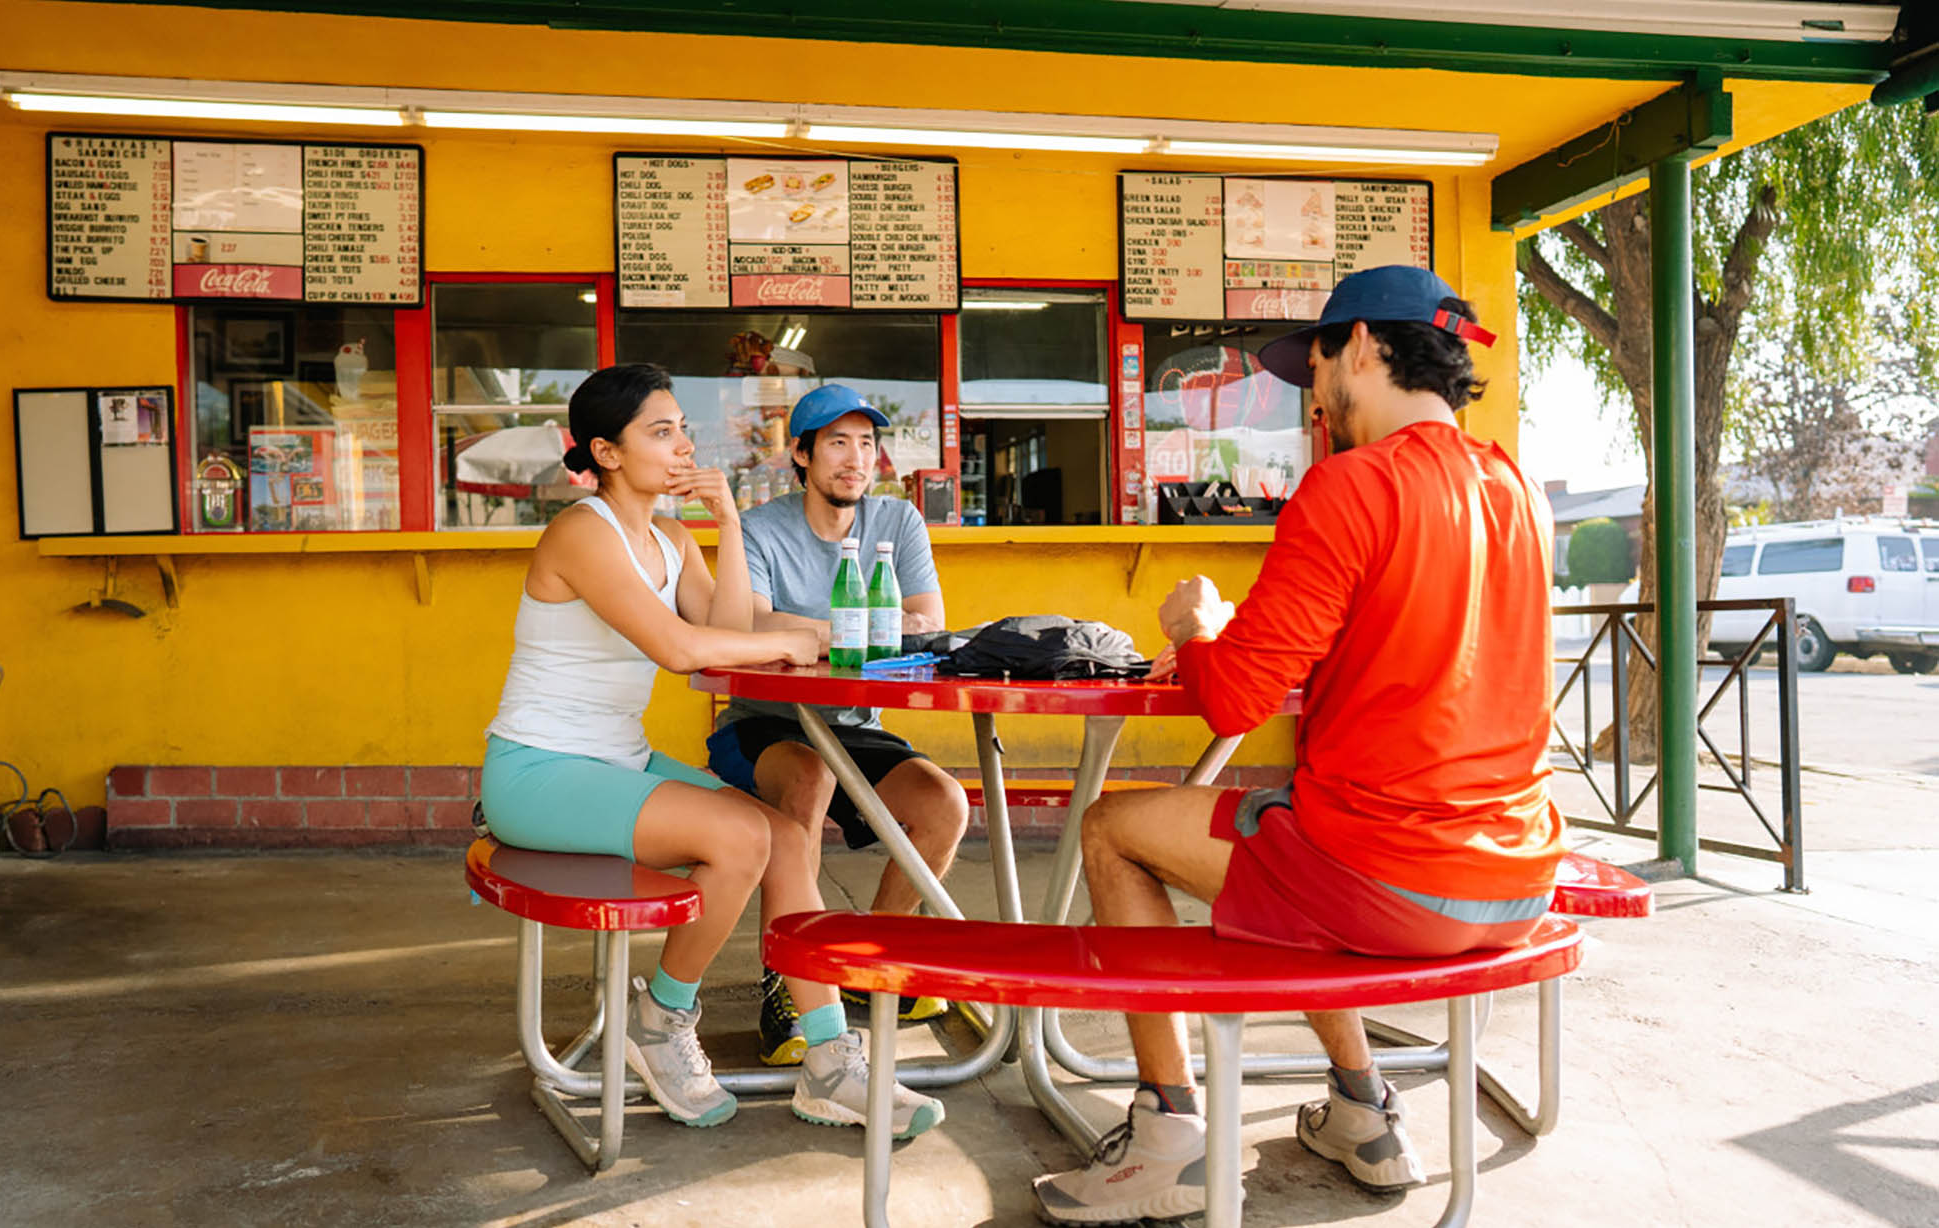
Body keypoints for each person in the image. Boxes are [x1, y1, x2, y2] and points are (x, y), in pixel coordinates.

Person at [1031, 266, 1565, 1224]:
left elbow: (1232, 700)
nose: (1311, 393)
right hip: (1517, 874)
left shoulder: (1350, 484)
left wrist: (1197, 627)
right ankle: (1362, 1111)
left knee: (1116, 826)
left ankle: (1168, 1135)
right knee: (1285, 824)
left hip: (1392, 880)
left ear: (1361, 347)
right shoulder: (1520, 490)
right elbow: (1424, 661)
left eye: (1314, 365)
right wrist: (1255, 634)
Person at [480, 363, 944, 1141]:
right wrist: (806, 637)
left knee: (788, 837)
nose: (682, 444)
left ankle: (829, 1060)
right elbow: (680, 649)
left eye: (682, 429)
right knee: (742, 836)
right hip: (539, 770)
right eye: (660, 431)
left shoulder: (666, 536)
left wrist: (728, 522)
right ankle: (660, 1022)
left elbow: (728, 633)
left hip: (615, 756)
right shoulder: (580, 532)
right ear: (608, 451)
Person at [703, 384, 970, 1066]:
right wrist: (849, 630)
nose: (857, 458)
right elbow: (748, 627)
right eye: (837, 443)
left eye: (867, 443)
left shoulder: (899, 522)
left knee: (945, 804)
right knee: (810, 776)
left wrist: (808, 634)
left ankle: (866, 958)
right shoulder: (763, 528)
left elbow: (927, 626)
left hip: (856, 724)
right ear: (801, 453)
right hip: (764, 724)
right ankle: (789, 984)